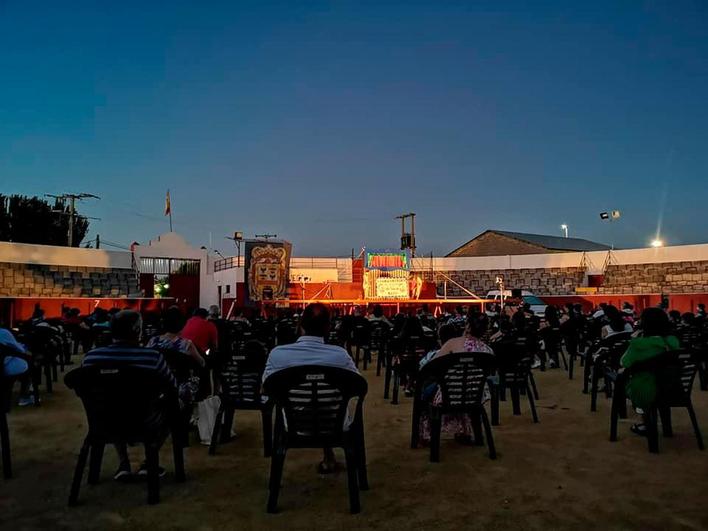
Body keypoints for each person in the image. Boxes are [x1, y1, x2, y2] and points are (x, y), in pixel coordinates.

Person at [262, 303, 358, 474]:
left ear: (300, 325)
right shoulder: (340, 356)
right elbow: (359, 387)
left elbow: (266, 388)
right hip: (333, 423)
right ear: (329, 328)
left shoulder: (278, 355)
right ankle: (330, 455)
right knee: (327, 404)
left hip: (293, 424)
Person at [82, 310, 178, 480]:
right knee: (174, 409)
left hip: (104, 422)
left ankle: (124, 463)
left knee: (113, 403)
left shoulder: (91, 358)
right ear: (137, 331)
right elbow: (172, 388)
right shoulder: (152, 357)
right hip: (144, 422)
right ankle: (149, 462)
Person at [419, 311, 494, 445]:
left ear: (468, 326)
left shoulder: (453, 344)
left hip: (448, 395)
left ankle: (427, 434)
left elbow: (430, 365)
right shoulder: (488, 351)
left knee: (426, 391)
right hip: (477, 396)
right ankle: (465, 431)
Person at [620, 307, 679, 436]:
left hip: (646, 391)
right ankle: (666, 428)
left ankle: (646, 423)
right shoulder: (673, 341)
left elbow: (624, 362)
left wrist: (633, 340)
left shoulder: (639, 344)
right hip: (674, 389)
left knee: (626, 383)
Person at [146, 306, 205, 405]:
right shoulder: (186, 344)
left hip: (156, 386)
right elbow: (202, 363)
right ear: (182, 324)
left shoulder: (153, 341)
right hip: (179, 389)